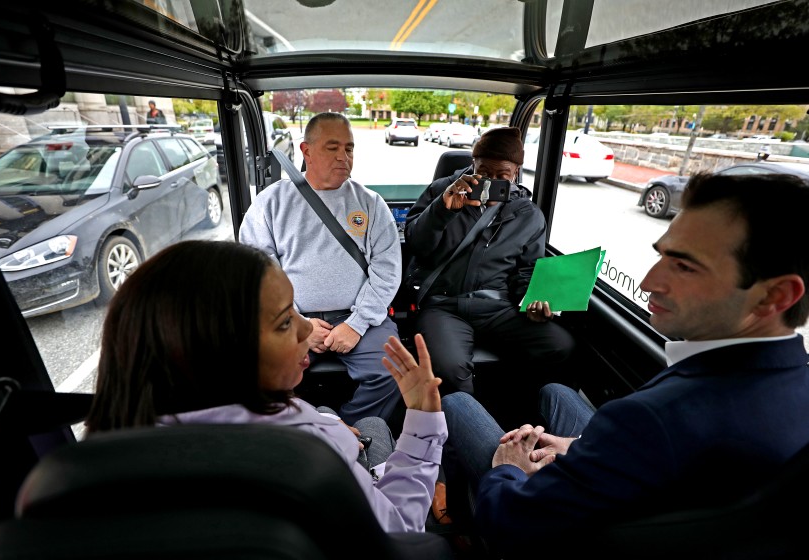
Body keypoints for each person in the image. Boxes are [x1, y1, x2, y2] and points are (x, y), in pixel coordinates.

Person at [440, 172, 809, 558]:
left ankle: (461, 526)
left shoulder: (652, 420)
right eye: (661, 255)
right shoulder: (793, 380)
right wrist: (583, 447)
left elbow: (510, 523)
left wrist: (509, 468)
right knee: (557, 392)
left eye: (685, 266)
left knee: (457, 403)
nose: (649, 282)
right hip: (654, 500)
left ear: (775, 296)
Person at [85, 240, 447, 533]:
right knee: (375, 425)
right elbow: (399, 530)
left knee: (327, 413)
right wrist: (421, 421)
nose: (307, 330)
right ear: (224, 351)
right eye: (284, 322)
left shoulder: (97, 466)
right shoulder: (311, 455)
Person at [239, 112, 403, 427]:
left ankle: (352, 433)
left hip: (358, 317)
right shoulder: (271, 202)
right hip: (290, 317)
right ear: (306, 151)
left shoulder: (370, 203)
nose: (344, 156)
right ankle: (305, 430)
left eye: (349, 148)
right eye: (332, 147)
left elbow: (387, 270)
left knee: (394, 370)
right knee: (257, 372)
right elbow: (257, 267)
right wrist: (295, 321)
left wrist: (356, 324)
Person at [403, 126, 576, 397]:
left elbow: (527, 270)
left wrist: (532, 299)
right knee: (449, 368)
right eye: (484, 173)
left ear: (516, 172)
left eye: (502, 176)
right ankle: (465, 424)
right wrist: (442, 210)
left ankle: (515, 409)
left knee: (558, 345)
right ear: (473, 164)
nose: (492, 181)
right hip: (445, 305)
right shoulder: (442, 191)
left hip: (499, 307)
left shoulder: (528, 215)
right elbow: (415, 244)